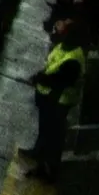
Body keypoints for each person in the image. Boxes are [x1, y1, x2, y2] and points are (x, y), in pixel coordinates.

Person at [30, 18, 84, 177]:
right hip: (48, 96)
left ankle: (48, 171)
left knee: (52, 137)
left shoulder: (73, 59)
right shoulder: (65, 46)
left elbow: (59, 81)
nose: (58, 27)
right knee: (44, 131)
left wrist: (39, 79)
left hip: (58, 101)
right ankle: (38, 156)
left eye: (63, 27)